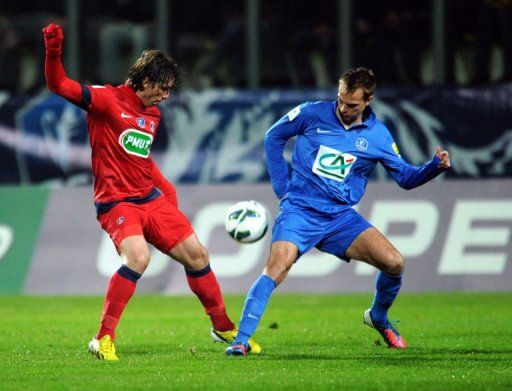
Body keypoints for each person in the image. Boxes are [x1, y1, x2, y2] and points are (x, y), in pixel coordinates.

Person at [42, 23, 260, 361]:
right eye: (163, 87)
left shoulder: (152, 114)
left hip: (150, 198)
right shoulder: (105, 100)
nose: (166, 96)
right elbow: (58, 84)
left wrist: (166, 190)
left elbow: (139, 158)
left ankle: (222, 326)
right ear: (145, 81)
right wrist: (54, 50)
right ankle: (103, 338)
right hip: (116, 202)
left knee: (198, 256)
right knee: (138, 258)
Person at [226, 67, 452, 356]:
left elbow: (406, 178)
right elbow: (273, 137)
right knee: (277, 267)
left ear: (368, 100)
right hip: (300, 210)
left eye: (352, 104)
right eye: (341, 100)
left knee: (394, 263)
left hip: (339, 218)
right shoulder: (311, 113)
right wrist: (282, 188)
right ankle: (241, 340)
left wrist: (434, 168)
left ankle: (378, 317)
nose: (343, 108)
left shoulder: (378, 136)